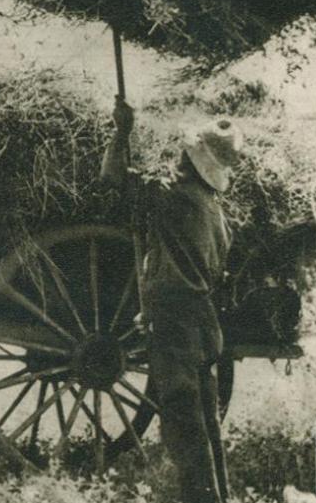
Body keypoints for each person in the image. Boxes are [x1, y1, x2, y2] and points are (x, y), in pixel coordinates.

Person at [101, 97, 242, 503]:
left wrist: (122, 130)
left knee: (183, 425)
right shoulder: (216, 214)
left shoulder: (171, 197)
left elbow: (113, 179)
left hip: (176, 322)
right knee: (206, 422)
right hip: (205, 324)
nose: (179, 159)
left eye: (185, 155)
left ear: (192, 161)